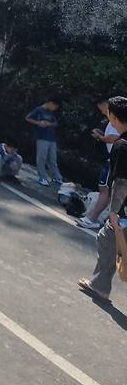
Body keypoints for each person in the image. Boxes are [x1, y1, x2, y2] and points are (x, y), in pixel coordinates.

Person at [78, 95, 127, 301]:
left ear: (113, 117)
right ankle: (99, 285)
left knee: (106, 239)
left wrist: (114, 212)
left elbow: (122, 182)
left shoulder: (122, 145)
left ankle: (99, 287)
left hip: (124, 212)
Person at [78, 98, 120, 229]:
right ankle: (100, 219)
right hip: (112, 159)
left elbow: (114, 139)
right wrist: (102, 134)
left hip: (114, 160)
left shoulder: (116, 119)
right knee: (107, 190)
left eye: (102, 109)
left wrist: (100, 137)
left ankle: (93, 219)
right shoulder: (113, 121)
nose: (102, 112)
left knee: (105, 191)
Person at [26, 94, 63, 186]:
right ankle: (42, 177)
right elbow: (28, 118)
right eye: (55, 106)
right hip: (42, 137)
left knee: (53, 159)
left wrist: (48, 124)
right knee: (41, 158)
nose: (55, 109)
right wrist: (39, 123)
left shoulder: (51, 113)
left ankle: (57, 177)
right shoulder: (38, 110)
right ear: (51, 103)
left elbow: (55, 123)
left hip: (52, 138)